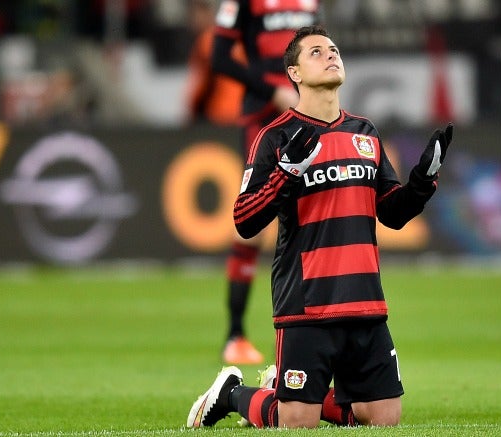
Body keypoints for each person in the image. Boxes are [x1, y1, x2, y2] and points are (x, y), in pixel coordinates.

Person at [187, 24, 454, 429]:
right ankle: (234, 394)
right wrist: (285, 174)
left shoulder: (364, 133)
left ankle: (293, 391)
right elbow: (244, 220)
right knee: (297, 424)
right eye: (316, 52)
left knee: (384, 419)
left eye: (333, 49)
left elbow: (392, 213)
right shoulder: (274, 138)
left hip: (365, 301)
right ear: (293, 73)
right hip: (307, 304)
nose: (331, 55)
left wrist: (422, 180)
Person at [211, 0, 323, 365]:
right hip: (263, 114)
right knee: (254, 224)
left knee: (315, 208)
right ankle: (235, 334)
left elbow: (316, 44)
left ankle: (319, 324)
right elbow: (220, 57)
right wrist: (273, 91)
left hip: (307, 110)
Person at [184, 0, 245, 126]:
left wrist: (191, 116)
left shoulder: (207, 40)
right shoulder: (250, 37)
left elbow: (200, 85)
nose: (193, 21)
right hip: (248, 114)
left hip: (219, 116)